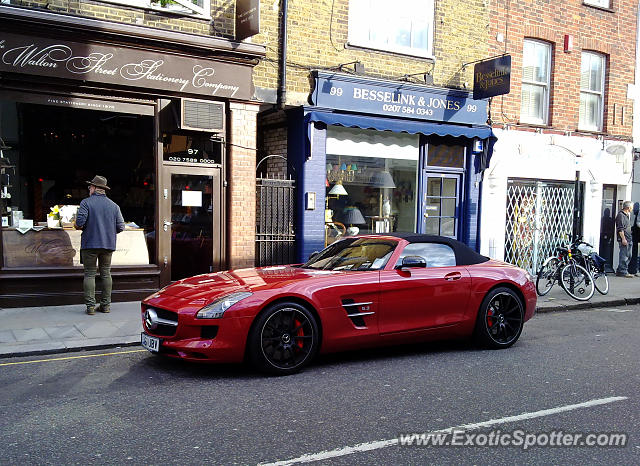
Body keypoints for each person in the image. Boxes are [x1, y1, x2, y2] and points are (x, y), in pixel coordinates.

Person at [75, 175, 125, 315]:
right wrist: (108, 232)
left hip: (90, 243)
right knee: (106, 274)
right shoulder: (114, 206)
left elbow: (79, 223)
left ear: (95, 188)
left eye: (90, 186)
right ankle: (105, 306)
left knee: (90, 274)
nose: (89, 189)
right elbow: (121, 226)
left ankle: (90, 307)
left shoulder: (86, 203)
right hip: (108, 245)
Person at [615, 200, 633, 278]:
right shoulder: (621, 215)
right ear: (628, 208)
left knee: (628, 255)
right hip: (624, 239)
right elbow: (620, 229)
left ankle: (620, 270)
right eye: (631, 207)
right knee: (624, 256)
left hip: (628, 239)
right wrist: (623, 239)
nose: (632, 209)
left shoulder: (626, 215)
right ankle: (623, 271)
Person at [630, 202, 640, 276]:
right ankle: (634, 270)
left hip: (636, 235)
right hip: (637, 236)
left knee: (635, 252)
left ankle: (635, 270)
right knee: (635, 252)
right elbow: (638, 223)